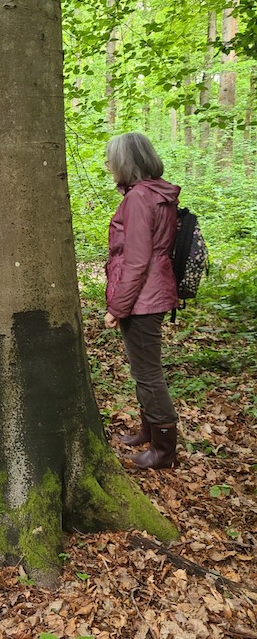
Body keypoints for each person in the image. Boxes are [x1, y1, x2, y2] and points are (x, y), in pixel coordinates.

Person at [104, 132, 180, 469]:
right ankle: (148, 433)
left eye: (111, 160)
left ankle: (164, 450)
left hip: (143, 298)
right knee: (143, 371)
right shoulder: (158, 193)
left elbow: (137, 260)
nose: (108, 165)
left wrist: (116, 308)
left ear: (125, 162)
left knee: (148, 374)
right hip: (152, 292)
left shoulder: (138, 198)